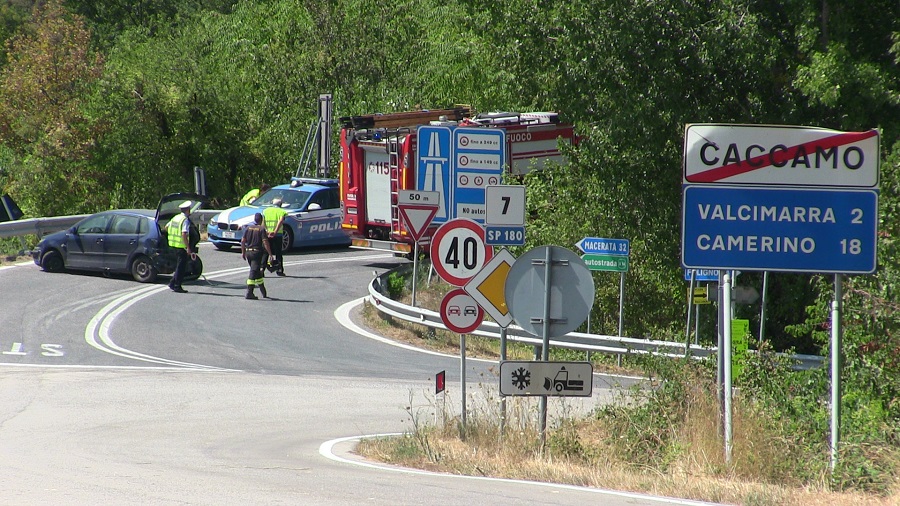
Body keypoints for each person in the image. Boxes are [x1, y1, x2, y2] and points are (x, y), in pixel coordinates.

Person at [166, 200, 196, 293]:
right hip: (181, 247)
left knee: (179, 266)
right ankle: (177, 286)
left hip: (172, 245)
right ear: (187, 210)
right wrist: (188, 248)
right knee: (181, 267)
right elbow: (184, 234)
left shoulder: (175, 217)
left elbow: (166, 227)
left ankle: (172, 283)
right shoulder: (185, 220)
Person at [240, 213, 271, 300]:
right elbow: (265, 242)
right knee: (253, 272)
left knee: (256, 271)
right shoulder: (261, 229)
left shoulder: (248, 228)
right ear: (261, 220)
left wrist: (243, 252)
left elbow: (243, 241)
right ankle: (249, 292)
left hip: (248, 252)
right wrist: (270, 253)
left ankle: (263, 291)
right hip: (256, 253)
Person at [262, 197, 289, 276]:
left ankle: (261, 269)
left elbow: (263, 222)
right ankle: (279, 270)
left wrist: (266, 231)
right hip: (278, 234)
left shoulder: (265, 211)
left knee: (266, 252)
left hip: (267, 234)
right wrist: (275, 232)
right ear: (280, 204)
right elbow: (280, 221)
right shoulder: (281, 211)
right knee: (278, 252)